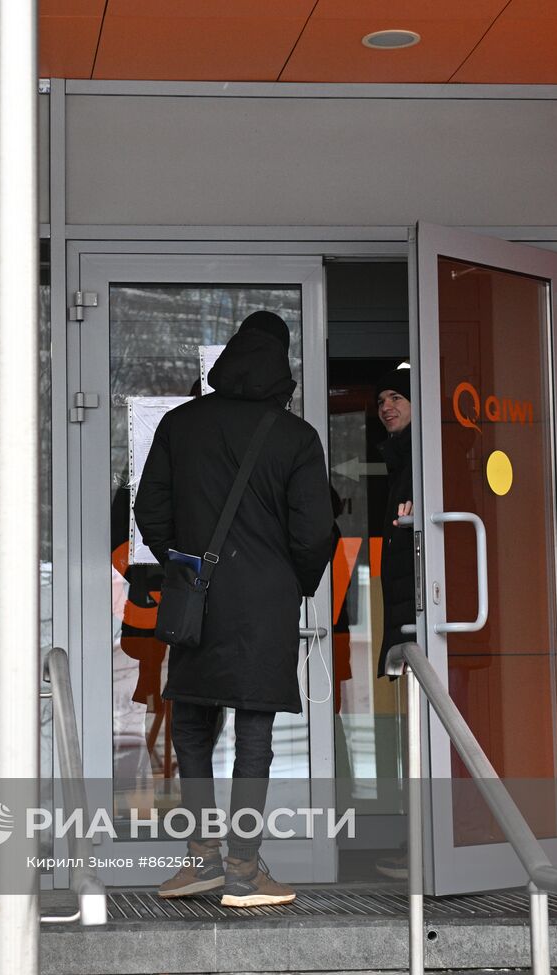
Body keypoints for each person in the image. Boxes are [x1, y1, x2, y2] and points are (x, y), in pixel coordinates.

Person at [133, 310, 334, 908]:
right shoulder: (296, 438)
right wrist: (292, 581)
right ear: (281, 365)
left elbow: (149, 511)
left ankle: (202, 861)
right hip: (265, 605)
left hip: (197, 597)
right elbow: (314, 532)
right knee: (254, 735)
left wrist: (185, 564)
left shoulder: (181, 424)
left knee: (192, 729)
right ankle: (244, 870)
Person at [373, 367, 414, 881]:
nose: (386, 406)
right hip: (413, 621)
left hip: (426, 625)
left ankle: (430, 850)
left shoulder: (427, 457)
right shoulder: (403, 458)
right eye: (380, 399)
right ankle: (423, 846)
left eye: (397, 396)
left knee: (426, 742)